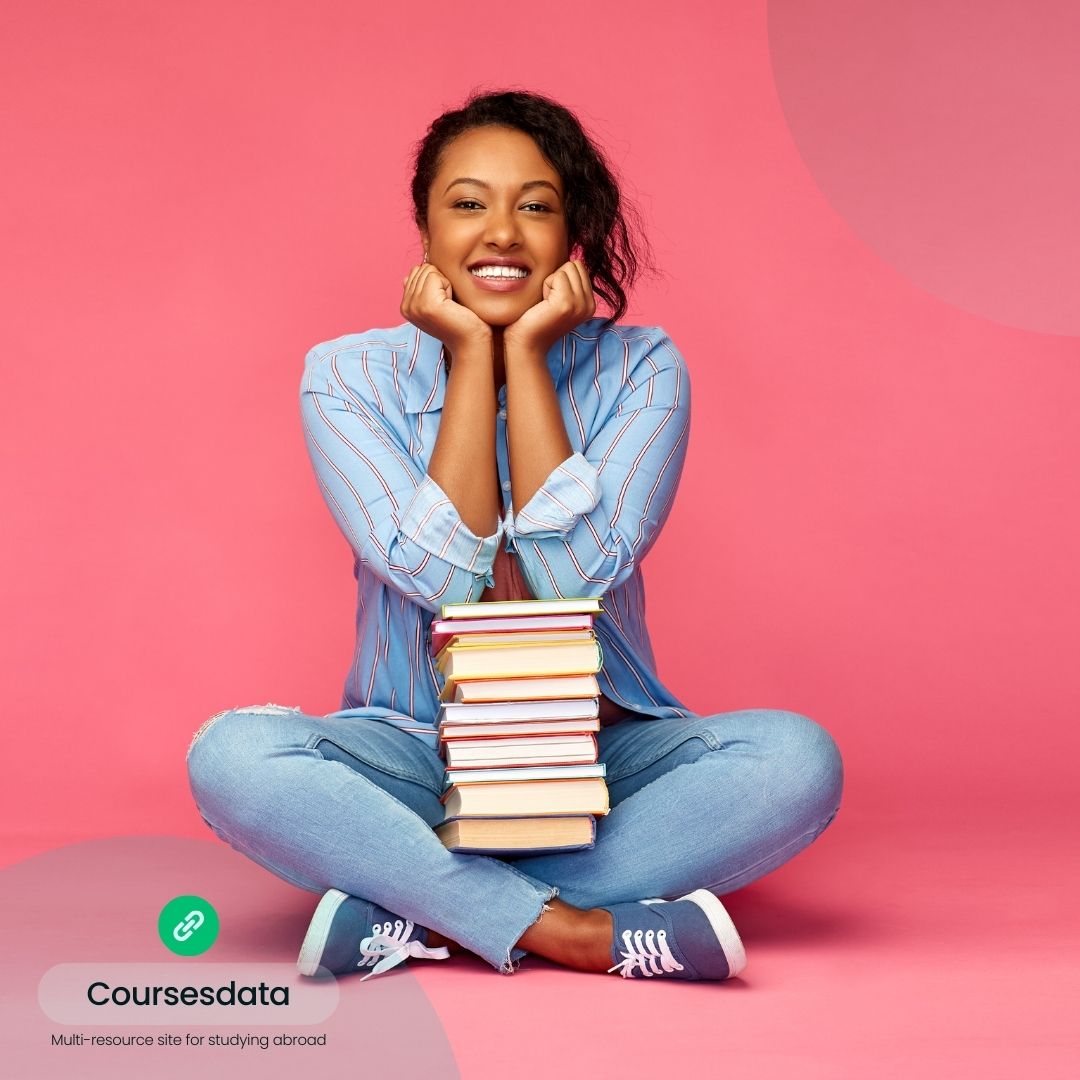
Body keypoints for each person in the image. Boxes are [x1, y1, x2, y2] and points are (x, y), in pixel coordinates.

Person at [186, 90, 843, 983]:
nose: (501, 231)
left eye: (534, 205)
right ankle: (575, 931)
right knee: (232, 758)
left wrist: (526, 359)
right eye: (468, 203)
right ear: (422, 229)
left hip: (600, 750)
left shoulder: (644, 367)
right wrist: (467, 355)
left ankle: (418, 906)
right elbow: (444, 580)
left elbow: (573, 571)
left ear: (571, 234)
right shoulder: (345, 376)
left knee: (795, 763)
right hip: (415, 750)